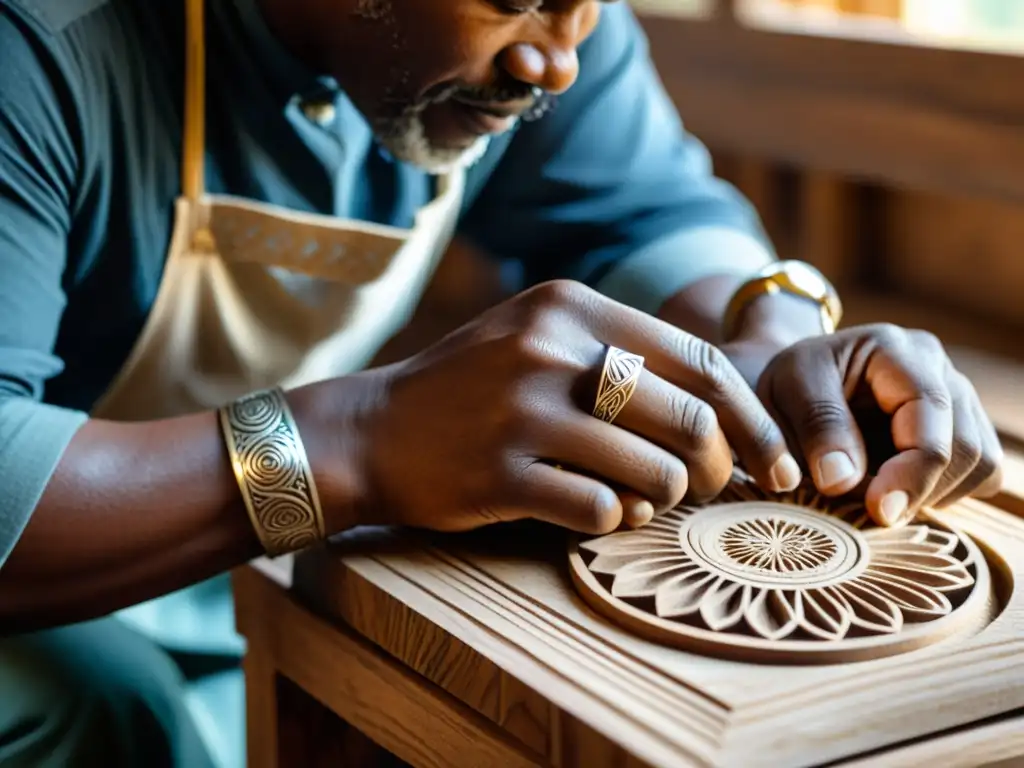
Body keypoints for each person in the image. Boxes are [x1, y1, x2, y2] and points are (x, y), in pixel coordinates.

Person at [0, 0, 1003, 765]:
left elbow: (644, 212)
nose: (555, 62)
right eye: (513, 1)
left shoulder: (542, 35)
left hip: (219, 556)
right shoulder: (37, 48)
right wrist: (354, 440)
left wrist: (770, 327)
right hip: (58, 577)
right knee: (107, 706)